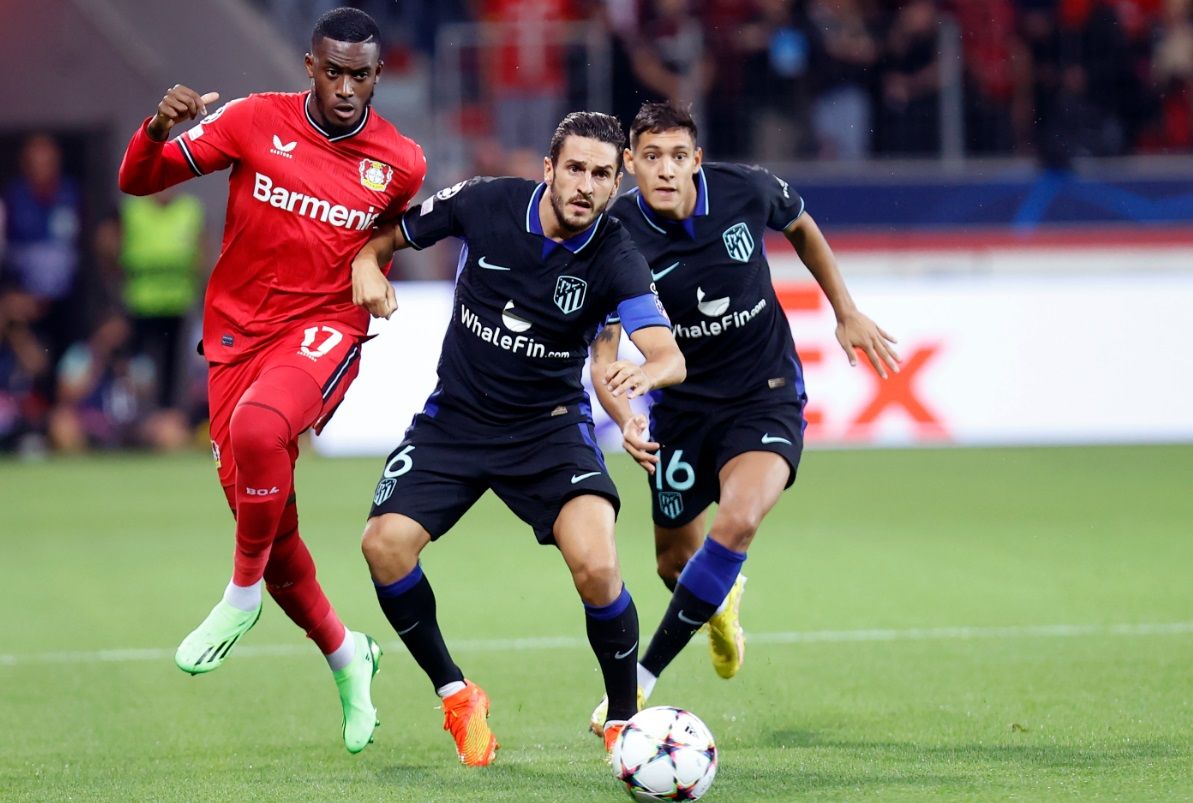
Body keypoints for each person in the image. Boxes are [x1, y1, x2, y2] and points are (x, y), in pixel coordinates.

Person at [116, 7, 426, 753]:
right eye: (333, 71)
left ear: (377, 77)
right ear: (309, 67)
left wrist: (371, 260)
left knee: (261, 432)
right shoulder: (255, 121)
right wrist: (156, 130)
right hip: (236, 338)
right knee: (272, 524)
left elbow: (398, 227)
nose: (346, 87)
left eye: (361, 75)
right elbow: (137, 181)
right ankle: (349, 656)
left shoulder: (402, 161)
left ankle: (238, 596)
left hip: (323, 331)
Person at [348, 111, 686, 764]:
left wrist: (643, 382)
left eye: (601, 175)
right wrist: (368, 260)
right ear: (548, 170)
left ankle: (622, 720)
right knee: (383, 546)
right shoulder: (485, 203)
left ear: (616, 184)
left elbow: (663, 349)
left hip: (547, 430)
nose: (586, 185)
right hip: (456, 422)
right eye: (576, 169)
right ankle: (456, 693)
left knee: (597, 562)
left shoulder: (616, 256)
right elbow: (392, 235)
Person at [587, 101, 900, 731]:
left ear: (697, 159)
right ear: (629, 164)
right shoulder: (614, 234)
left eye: (679, 156)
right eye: (651, 157)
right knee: (675, 563)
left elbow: (803, 226)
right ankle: (721, 600)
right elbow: (604, 354)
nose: (667, 170)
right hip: (680, 408)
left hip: (765, 391)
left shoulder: (746, 190)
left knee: (740, 519)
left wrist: (844, 309)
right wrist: (626, 417)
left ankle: (639, 685)